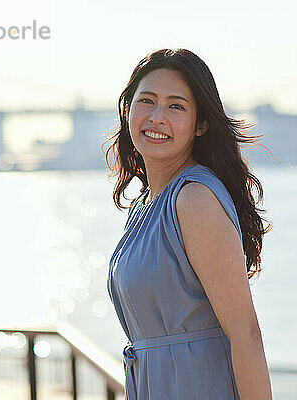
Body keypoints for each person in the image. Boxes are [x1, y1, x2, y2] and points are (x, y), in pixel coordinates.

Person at [104, 48, 273, 400]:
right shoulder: (145, 205)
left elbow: (246, 334)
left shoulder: (194, 199)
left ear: (201, 123)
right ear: (128, 110)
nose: (157, 117)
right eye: (146, 101)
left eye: (176, 106)